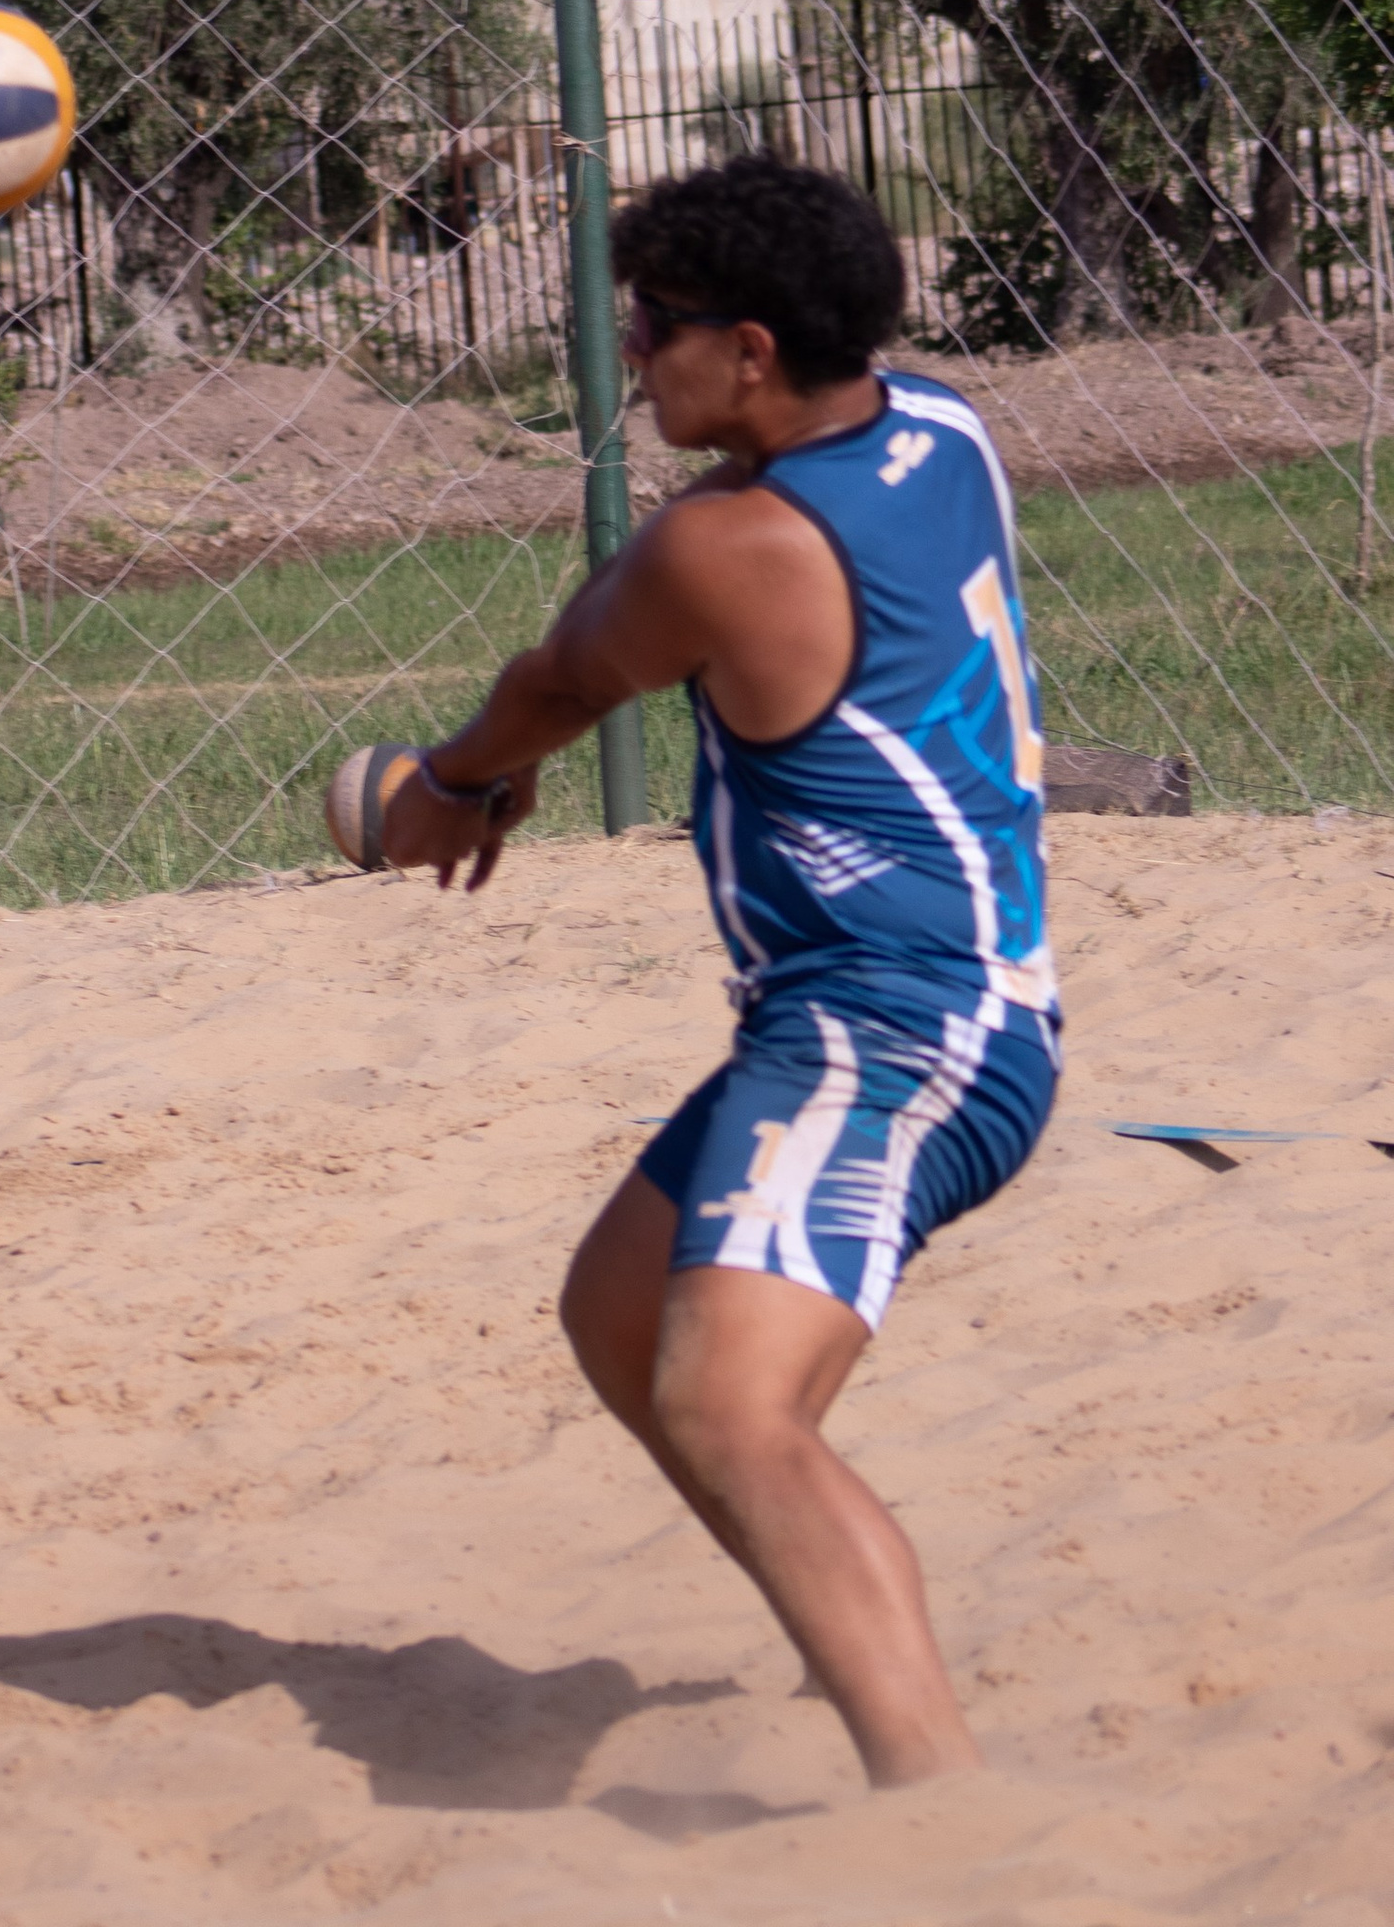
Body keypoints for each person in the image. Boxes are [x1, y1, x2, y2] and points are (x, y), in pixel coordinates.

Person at [373, 150, 1056, 1789]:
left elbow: (558, 675)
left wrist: (449, 787)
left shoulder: (731, 543)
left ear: (750, 351)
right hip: (922, 1003)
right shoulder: (939, 424)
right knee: (623, 1320)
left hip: (896, 1033)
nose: (630, 351)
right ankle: (853, 1645)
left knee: (730, 1408)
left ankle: (941, 1816)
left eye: (656, 322)